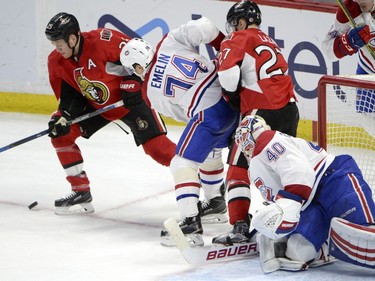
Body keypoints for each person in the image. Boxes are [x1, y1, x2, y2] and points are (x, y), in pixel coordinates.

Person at [120, 17, 239, 246]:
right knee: (209, 149)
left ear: (136, 67)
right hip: (233, 95)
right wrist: (227, 48)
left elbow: (184, 114)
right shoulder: (168, 41)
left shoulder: (150, 94)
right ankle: (216, 203)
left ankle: (190, 224)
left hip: (211, 113)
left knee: (182, 162)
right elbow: (204, 26)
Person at [45, 12, 176, 215]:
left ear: (72, 38)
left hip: (131, 100)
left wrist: (135, 83)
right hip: (98, 106)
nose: (57, 47)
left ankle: (208, 182)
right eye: (53, 43)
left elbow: (143, 57)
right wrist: (63, 115)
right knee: (61, 134)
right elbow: (69, 95)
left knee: (158, 150)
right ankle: (81, 192)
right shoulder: (56, 61)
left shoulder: (102, 41)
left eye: (59, 42)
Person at [235, 115, 375, 272]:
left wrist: (288, 208)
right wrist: (264, 230)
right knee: (297, 251)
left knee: (364, 234)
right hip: (309, 205)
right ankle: (328, 245)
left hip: (332, 180)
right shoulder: (256, 167)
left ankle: (333, 239)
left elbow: (299, 172)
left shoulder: (266, 140)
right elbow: (279, 204)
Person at [212, 0, 300, 245]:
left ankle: (239, 225)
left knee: (238, 167)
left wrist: (233, 95)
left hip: (261, 112)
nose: (231, 29)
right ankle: (288, 222)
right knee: (281, 168)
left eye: (233, 24)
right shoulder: (271, 42)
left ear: (241, 22)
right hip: (291, 109)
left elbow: (228, 81)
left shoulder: (237, 39)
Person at [322, 0, 374, 113]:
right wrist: (349, 42)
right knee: (369, 123)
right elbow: (327, 48)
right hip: (368, 74)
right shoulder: (349, 9)